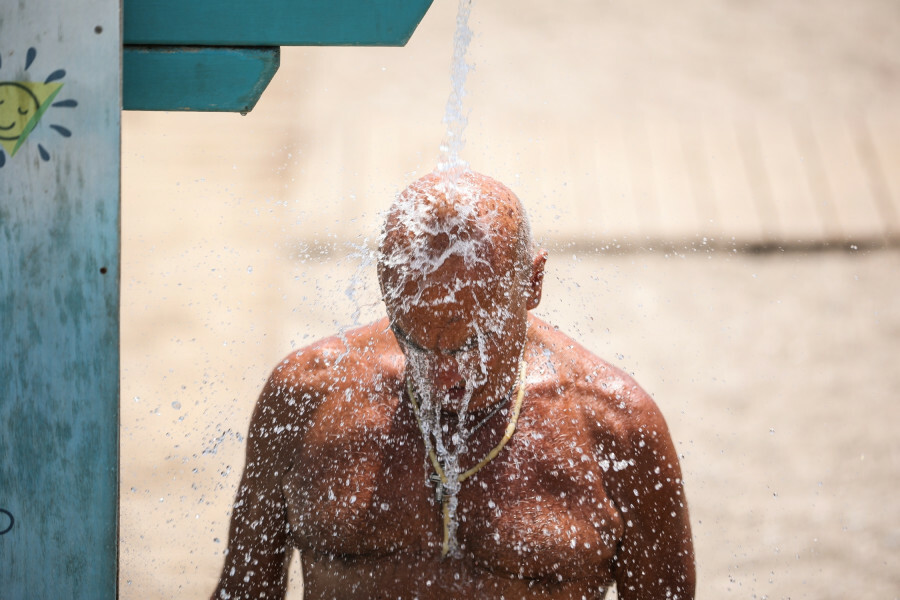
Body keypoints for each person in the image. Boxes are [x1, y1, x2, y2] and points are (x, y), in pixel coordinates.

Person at [212, 170, 695, 599]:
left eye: (470, 344)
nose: (441, 373)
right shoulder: (308, 394)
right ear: (386, 288)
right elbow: (243, 591)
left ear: (532, 283)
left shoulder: (619, 427)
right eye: (413, 341)